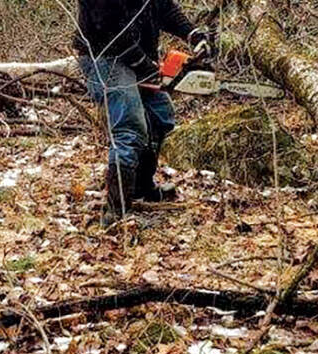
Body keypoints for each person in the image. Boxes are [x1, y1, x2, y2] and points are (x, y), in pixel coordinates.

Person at [74, 0, 214, 224]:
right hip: (105, 56)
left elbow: (164, 7)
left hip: (137, 56)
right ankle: (116, 212)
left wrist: (192, 34)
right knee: (130, 126)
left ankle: (141, 187)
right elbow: (108, 27)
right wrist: (143, 64)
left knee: (161, 115)